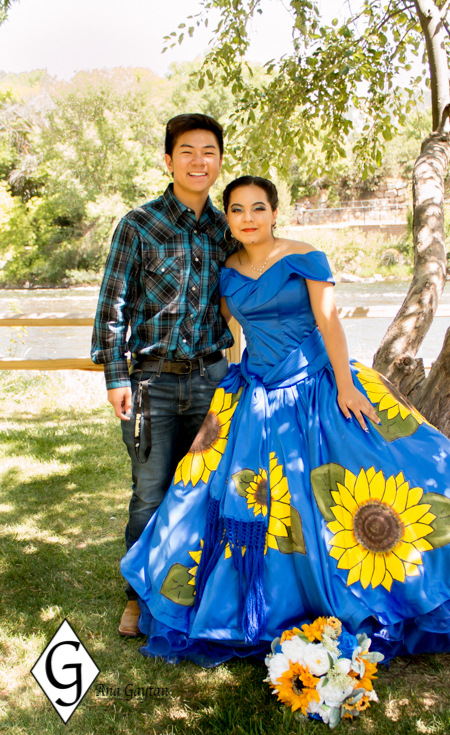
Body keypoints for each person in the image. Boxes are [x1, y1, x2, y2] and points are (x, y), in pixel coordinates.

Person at [121, 175, 450, 666]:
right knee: (230, 492)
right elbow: (224, 331)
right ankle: (245, 604)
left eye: (258, 208)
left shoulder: (306, 257)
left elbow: (329, 321)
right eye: (237, 210)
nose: (248, 218)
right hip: (255, 392)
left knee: (371, 475)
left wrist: (346, 384)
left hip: (315, 381)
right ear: (227, 218)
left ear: (274, 213)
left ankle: (390, 590)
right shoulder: (226, 272)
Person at [91, 114, 237, 638]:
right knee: (150, 493)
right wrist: (116, 378)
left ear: (220, 160)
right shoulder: (139, 224)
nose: (199, 161)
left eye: (209, 152)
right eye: (187, 152)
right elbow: (112, 305)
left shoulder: (227, 228)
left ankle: (196, 593)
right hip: (151, 383)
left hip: (213, 380)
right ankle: (138, 597)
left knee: (208, 491)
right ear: (169, 160)